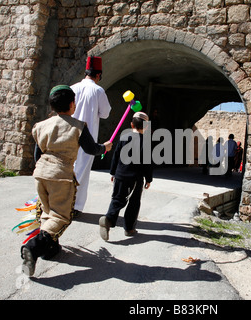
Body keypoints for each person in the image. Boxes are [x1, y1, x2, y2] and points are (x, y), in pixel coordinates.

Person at [21, 85, 112, 277]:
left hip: (41, 173)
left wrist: (42, 172)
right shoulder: (78, 126)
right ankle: (33, 247)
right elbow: (91, 149)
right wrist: (104, 148)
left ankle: (50, 249)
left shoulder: (41, 126)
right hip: (61, 176)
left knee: (47, 212)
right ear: (72, 104)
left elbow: (38, 153)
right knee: (60, 216)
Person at [99, 112, 153, 241]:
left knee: (117, 199)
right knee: (134, 203)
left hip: (120, 175)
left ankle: (109, 219)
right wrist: (149, 179)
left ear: (131, 124)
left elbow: (116, 156)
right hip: (136, 178)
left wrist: (113, 172)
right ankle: (128, 228)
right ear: (145, 127)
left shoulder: (124, 137)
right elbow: (148, 163)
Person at [71, 56, 112, 217]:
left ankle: (60, 201)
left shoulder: (72, 88)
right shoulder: (98, 91)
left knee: (69, 168)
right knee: (81, 171)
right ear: (98, 75)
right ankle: (74, 206)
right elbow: (106, 113)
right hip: (87, 136)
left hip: (70, 133)